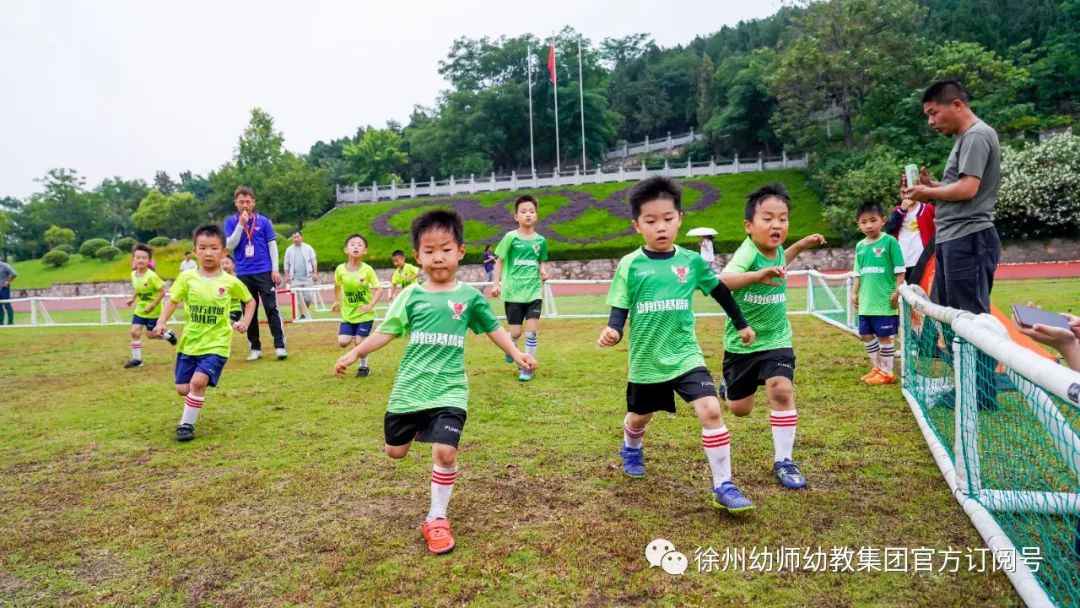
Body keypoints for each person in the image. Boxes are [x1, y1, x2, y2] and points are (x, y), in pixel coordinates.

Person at [334, 209, 535, 554]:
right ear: (418, 256)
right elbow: (386, 332)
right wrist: (355, 353)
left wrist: (517, 354)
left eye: (445, 249)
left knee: (445, 451)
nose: (438, 257)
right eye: (429, 251)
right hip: (411, 387)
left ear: (460, 251)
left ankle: (436, 518)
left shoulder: (470, 297)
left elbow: (493, 328)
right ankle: (417, 428)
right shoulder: (410, 296)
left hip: (450, 388)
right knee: (395, 452)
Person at [597, 176, 757, 514]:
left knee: (711, 409)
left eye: (668, 219)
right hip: (647, 359)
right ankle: (631, 447)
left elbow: (720, 291)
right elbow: (620, 305)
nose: (661, 227)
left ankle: (724, 485)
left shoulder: (691, 262)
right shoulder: (630, 264)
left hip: (686, 355)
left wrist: (741, 323)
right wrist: (614, 330)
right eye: (651, 221)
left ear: (680, 219)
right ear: (637, 225)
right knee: (640, 417)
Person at [719, 183, 827, 491]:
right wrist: (756, 275)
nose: (776, 225)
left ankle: (784, 460)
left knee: (781, 390)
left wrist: (801, 245)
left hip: (777, 340)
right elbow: (723, 281)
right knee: (740, 409)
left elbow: (781, 261)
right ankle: (727, 389)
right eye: (767, 219)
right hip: (744, 344)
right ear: (749, 226)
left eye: (783, 218)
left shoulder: (776, 249)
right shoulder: (747, 252)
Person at [904, 80, 1002, 410]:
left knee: (971, 320)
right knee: (952, 317)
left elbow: (968, 189)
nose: (931, 121)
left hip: (968, 238)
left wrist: (928, 192)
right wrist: (932, 186)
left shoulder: (976, 135)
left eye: (934, 113)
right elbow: (958, 189)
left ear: (956, 105)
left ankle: (981, 394)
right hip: (953, 238)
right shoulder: (965, 138)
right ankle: (967, 387)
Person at [152, 225, 255, 442]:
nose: (208, 253)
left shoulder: (230, 281)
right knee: (183, 388)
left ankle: (186, 425)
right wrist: (161, 321)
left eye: (214, 248)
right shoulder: (187, 278)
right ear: (195, 251)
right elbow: (173, 301)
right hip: (190, 343)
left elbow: (250, 300)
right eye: (203, 248)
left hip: (217, 344)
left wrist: (245, 322)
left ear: (224, 252)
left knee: (198, 383)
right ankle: (195, 397)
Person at [224, 186, 287, 361]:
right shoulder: (230, 222)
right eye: (241, 202)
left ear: (253, 202)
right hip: (243, 272)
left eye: (248, 201)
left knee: (271, 308)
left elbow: (272, 246)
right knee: (248, 311)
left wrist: (275, 269)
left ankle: (280, 346)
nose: (245, 205)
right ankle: (255, 348)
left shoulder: (264, 222)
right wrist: (240, 225)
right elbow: (230, 245)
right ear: (235, 203)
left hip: (264, 271)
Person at [491, 195, 549, 382]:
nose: (528, 214)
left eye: (531, 211)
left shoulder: (540, 241)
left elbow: (541, 261)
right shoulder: (510, 237)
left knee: (532, 331)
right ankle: (512, 347)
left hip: (534, 292)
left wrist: (543, 271)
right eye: (523, 211)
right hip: (514, 292)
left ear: (536, 215)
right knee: (515, 332)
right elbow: (499, 261)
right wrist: (496, 284)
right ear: (516, 216)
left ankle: (527, 368)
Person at [851, 203, 906, 385]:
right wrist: (854, 293)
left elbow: (900, 270)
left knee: (884, 337)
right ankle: (877, 368)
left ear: (883, 220)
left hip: (884, 301)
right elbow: (858, 273)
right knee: (865, 334)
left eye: (873, 220)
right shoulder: (860, 246)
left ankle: (887, 372)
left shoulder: (890, 242)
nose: (869, 225)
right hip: (866, 302)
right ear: (858, 224)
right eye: (864, 222)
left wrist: (897, 291)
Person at [333, 234, 382, 378]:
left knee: (360, 342)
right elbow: (336, 285)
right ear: (346, 249)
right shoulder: (340, 269)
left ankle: (363, 367)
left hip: (364, 314)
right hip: (348, 314)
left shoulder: (368, 270)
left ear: (365, 251)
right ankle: (359, 338)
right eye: (352, 244)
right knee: (343, 342)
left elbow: (379, 288)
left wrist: (370, 305)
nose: (356, 247)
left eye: (360, 245)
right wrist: (337, 301)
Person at [124, 244, 177, 368]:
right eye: (138, 257)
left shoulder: (152, 276)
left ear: (149, 260)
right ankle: (137, 360)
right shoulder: (133, 274)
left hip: (153, 311)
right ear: (133, 259)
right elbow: (137, 287)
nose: (140, 260)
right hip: (140, 309)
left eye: (144, 258)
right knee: (134, 332)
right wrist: (132, 298)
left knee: (151, 335)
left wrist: (153, 305)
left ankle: (168, 335)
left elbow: (162, 292)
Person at [884, 197, 935, 283]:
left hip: (922, 260)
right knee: (903, 289)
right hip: (902, 260)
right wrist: (901, 210)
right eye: (904, 193)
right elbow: (889, 229)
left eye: (910, 192)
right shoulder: (897, 210)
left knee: (921, 288)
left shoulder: (928, 209)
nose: (908, 196)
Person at [284, 231, 317, 319]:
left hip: (307, 277)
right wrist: (286, 276)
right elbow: (286, 264)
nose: (296, 239)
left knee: (308, 298)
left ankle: (304, 314)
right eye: (294, 237)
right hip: (295, 278)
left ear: (301, 237)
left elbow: (314, 261)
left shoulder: (308, 248)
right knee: (298, 299)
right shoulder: (289, 250)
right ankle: (304, 315)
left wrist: (315, 273)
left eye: (297, 237)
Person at [221, 256, 244, 324]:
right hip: (222, 309)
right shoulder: (218, 279)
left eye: (227, 263)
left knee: (225, 324)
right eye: (222, 264)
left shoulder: (238, 278)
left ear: (234, 265)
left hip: (235, 309)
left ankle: (236, 324)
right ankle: (236, 324)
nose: (224, 265)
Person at [0, 259, 17, 326]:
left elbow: (14, 274)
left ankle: (10, 322)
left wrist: (8, 281)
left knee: (7, 305)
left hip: (4, 288)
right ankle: (0, 322)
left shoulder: (4, 265)